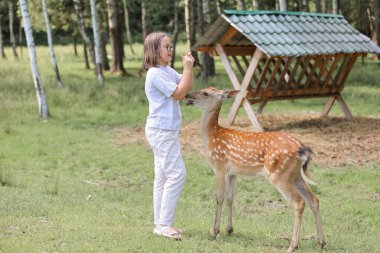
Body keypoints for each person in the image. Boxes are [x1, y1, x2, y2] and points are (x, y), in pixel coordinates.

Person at [143, 32, 195, 240]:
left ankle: (160, 224)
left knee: (163, 177)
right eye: (166, 46)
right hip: (161, 132)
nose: (171, 49)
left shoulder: (165, 70)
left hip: (166, 131)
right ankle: (165, 224)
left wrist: (187, 68)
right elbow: (179, 94)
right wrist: (188, 69)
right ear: (155, 51)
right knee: (177, 175)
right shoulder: (155, 74)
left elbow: (185, 84)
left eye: (171, 46)